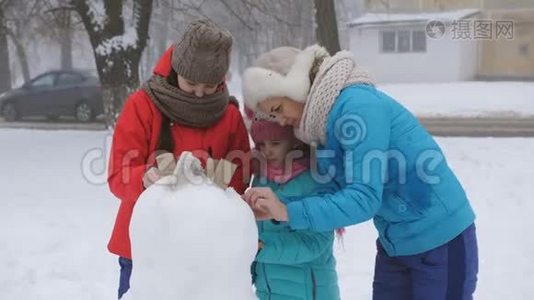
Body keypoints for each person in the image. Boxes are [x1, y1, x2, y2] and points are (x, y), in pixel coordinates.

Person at [242, 45, 478, 300]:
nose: (280, 121)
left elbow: (363, 198)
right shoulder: (321, 125)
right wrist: (278, 207)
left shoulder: (357, 106)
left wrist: (288, 211)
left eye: (277, 109)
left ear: (295, 87)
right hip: (396, 242)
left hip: (440, 238)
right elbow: (334, 193)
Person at [107, 19, 250, 299]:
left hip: (206, 251)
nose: (199, 92)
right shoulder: (142, 105)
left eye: (209, 86)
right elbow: (118, 175)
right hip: (146, 247)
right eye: (191, 83)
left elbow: (241, 177)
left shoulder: (229, 115)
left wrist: (214, 173)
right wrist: (146, 177)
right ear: (176, 71)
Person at [248, 109, 340, 300]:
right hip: (268, 291)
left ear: (295, 142)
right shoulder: (261, 180)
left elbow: (315, 243)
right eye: (261, 144)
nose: (267, 151)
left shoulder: (315, 180)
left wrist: (262, 248)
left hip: (310, 291)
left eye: (275, 143)